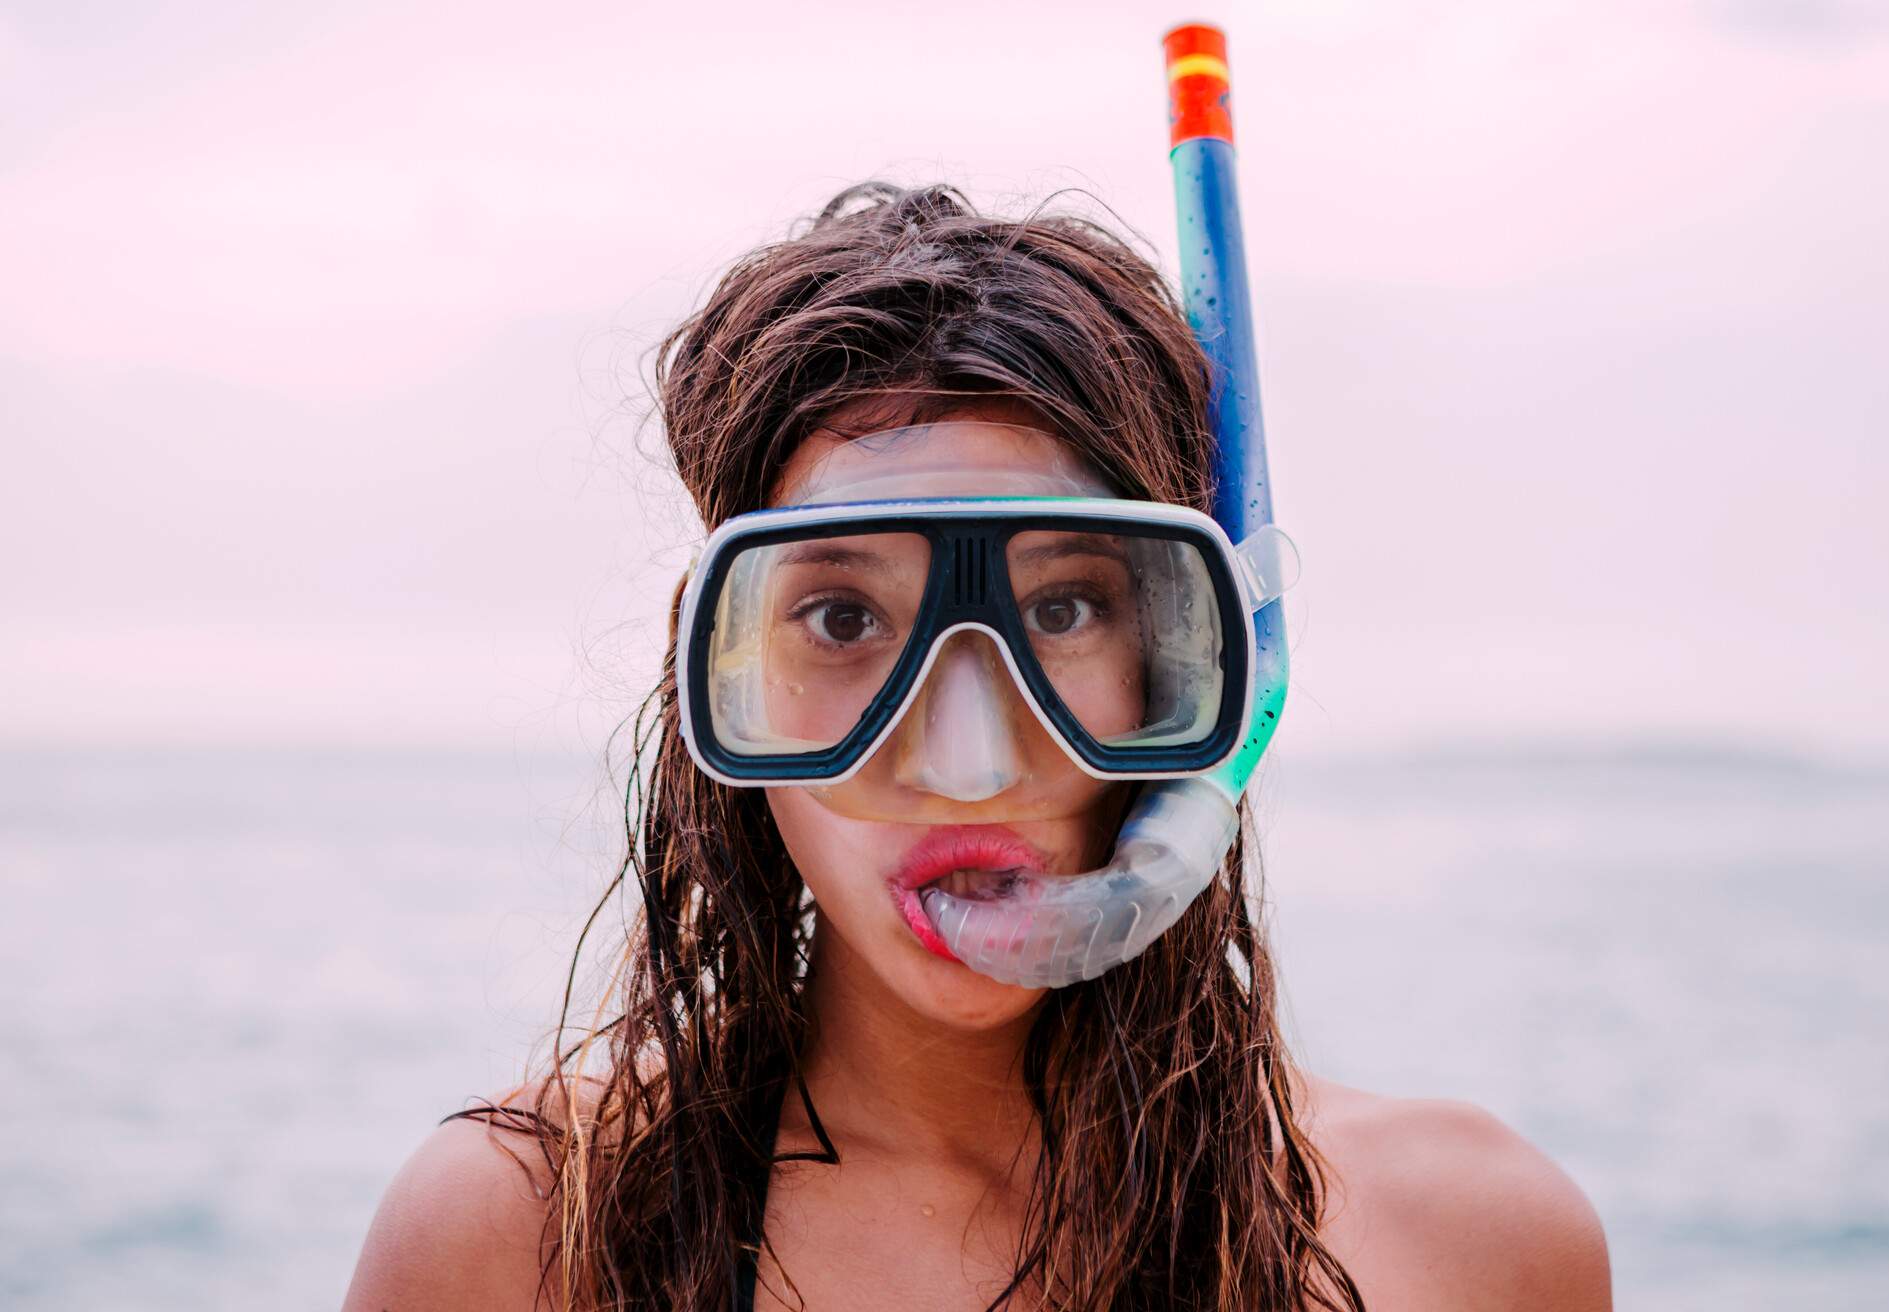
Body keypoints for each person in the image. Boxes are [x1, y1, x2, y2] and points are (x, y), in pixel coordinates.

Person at [344, 183, 1611, 1311]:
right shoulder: (522, 1242)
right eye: (843, 620)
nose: (967, 760)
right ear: (718, 677)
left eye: (1061, 609)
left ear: (1189, 657)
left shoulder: (1477, 1247)